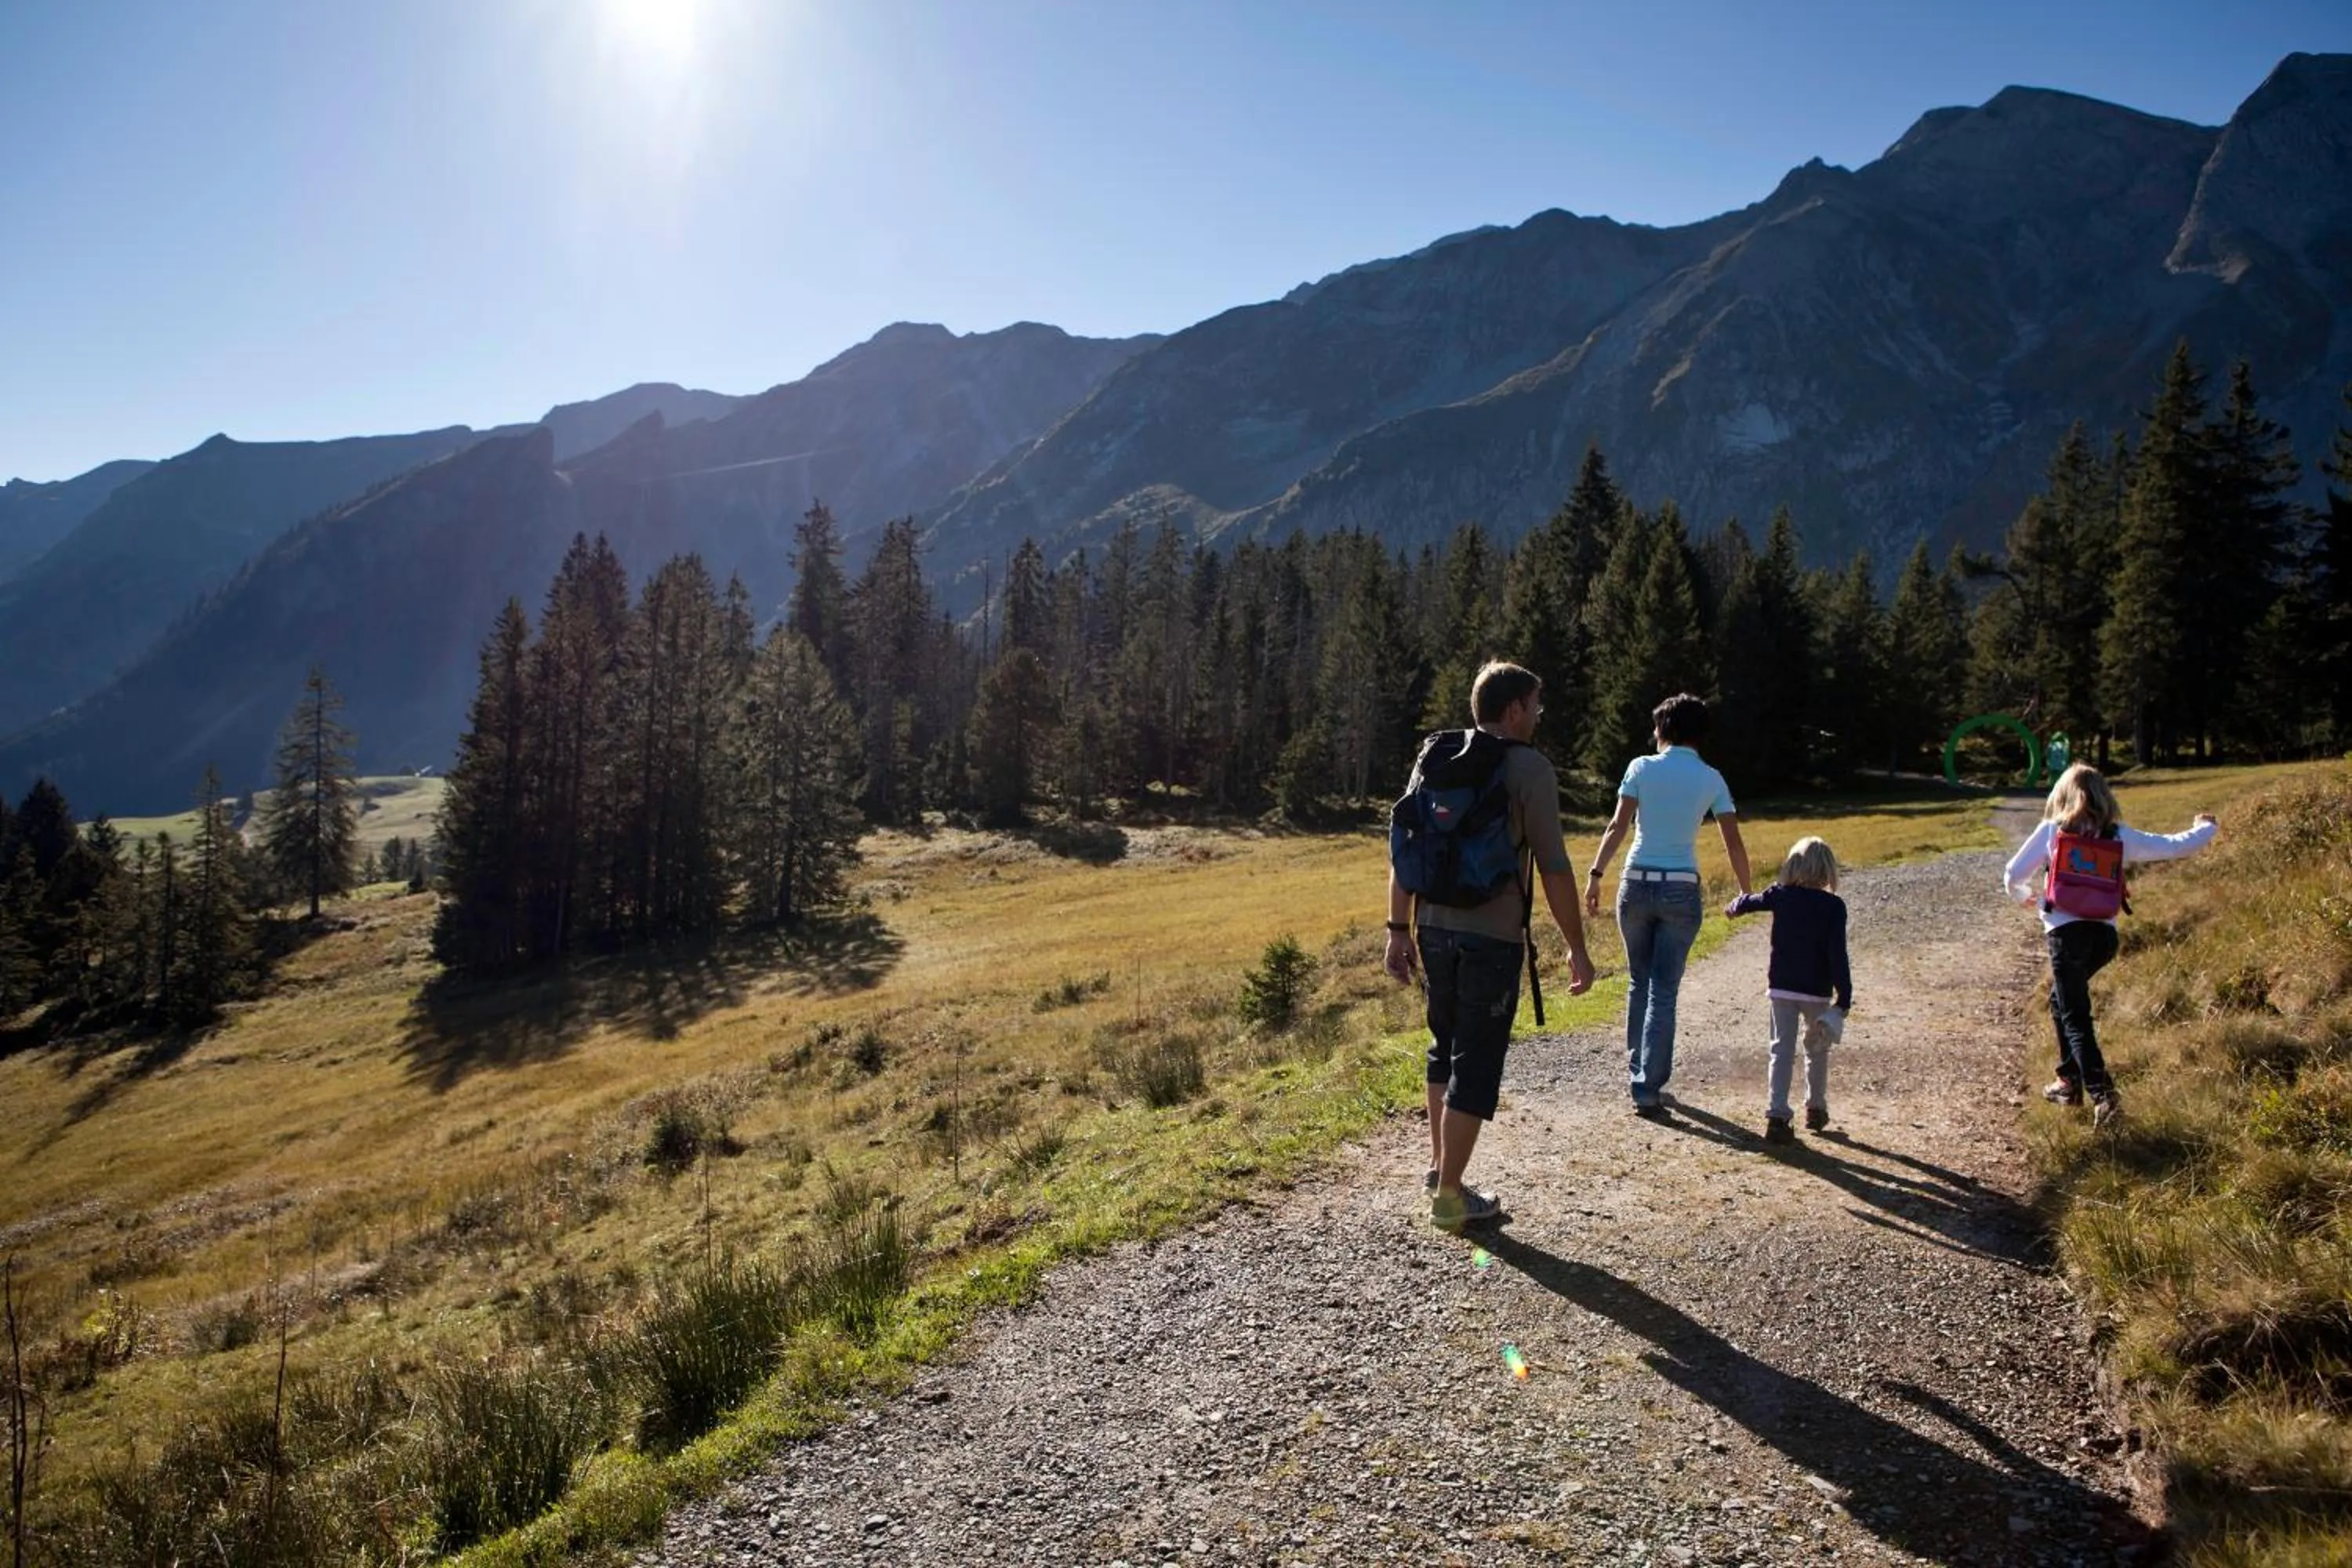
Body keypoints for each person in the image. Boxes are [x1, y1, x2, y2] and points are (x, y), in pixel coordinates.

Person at [1385, 661, 1595, 1231]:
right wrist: (1577, 946)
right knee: (1474, 1062)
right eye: (1535, 706)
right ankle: (1451, 1197)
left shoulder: (1437, 757)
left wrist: (1397, 930)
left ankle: (1439, 1169)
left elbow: (1407, 845)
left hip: (1433, 929)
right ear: (1513, 711)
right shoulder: (1529, 768)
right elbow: (1552, 866)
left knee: (1443, 1045)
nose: (1539, 715)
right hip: (1491, 937)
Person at [2003, 763, 2216, 1128]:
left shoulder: (2053, 831)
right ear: (2104, 795)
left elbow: (2012, 874)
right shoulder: (2118, 835)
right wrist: (2206, 827)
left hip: (2066, 936)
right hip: (2104, 938)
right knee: (2061, 1002)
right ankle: (2069, 1083)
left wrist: (2023, 895)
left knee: (2074, 1016)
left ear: (2062, 795)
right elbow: (2173, 846)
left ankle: (2103, 1096)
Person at [1584, 693, 1751, 1118]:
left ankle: (1637, 1067)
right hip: (1681, 889)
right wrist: (1745, 890)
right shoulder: (1712, 778)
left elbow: (1617, 825)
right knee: (1665, 990)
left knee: (1639, 982)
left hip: (1636, 883)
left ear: (1664, 729)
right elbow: (1732, 840)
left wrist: (1596, 875)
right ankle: (1647, 1085)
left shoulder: (1640, 767)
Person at [1725, 836, 1853, 1143]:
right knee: (1816, 1050)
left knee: (1780, 1050)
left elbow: (1752, 901)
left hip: (1782, 987)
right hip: (1817, 991)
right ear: (1827, 871)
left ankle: (1777, 1115)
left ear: (1793, 865)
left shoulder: (1781, 895)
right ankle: (1815, 1108)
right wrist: (1844, 996)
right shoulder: (1834, 907)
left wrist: (1735, 906)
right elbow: (1838, 954)